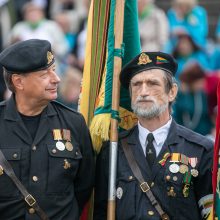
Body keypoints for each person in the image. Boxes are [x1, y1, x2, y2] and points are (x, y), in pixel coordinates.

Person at [94, 52, 213, 220]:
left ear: (172, 92)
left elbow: (211, 214)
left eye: (152, 84)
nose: (143, 92)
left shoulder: (201, 150)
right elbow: (100, 211)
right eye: (136, 85)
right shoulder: (112, 150)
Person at [0, 39, 95, 219]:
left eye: (54, 70)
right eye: (45, 75)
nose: (56, 79)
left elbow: (84, 186)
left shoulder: (74, 123)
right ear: (18, 82)